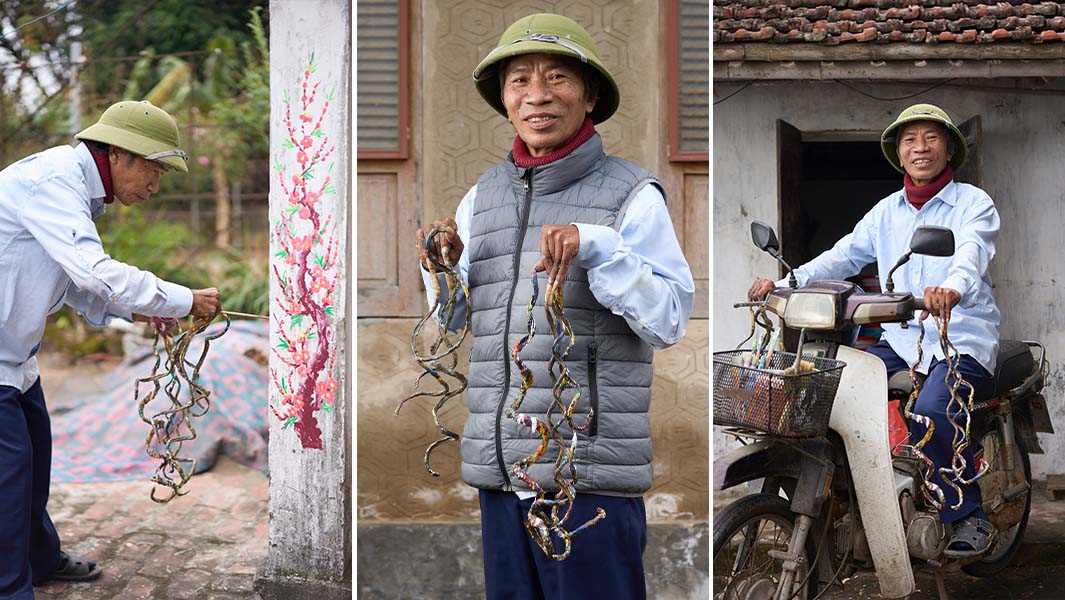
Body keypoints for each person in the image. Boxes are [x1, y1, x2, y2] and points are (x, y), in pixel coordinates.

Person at [414, 13, 695, 600]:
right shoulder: (482, 196)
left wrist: (597, 246)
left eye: (558, 77)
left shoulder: (632, 194)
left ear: (590, 96)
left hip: (584, 471)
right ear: (504, 100)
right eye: (519, 80)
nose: (537, 94)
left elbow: (668, 318)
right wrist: (439, 265)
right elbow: (455, 320)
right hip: (502, 470)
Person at [748, 103, 1000, 558]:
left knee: (934, 410)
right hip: (902, 340)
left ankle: (969, 516)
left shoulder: (973, 204)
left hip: (958, 338)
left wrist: (952, 288)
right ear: (899, 155)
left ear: (949, 149)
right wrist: (783, 284)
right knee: (823, 391)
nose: (920, 147)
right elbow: (841, 256)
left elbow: (972, 253)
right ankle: (856, 500)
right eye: (909, 140)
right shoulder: (885, 213)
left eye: (930, 138)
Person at [0, 100, 221, 599]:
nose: (154, 186)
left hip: (16, 356)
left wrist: (145, 311)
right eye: (154, 169)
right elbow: (95, 272)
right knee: (8, 479)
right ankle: (10, 589)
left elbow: (73, 280)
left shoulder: (73, 189)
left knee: (33, 459)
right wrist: (183, 299)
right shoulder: (54, 183)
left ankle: (39, 559)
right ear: (120, 155)